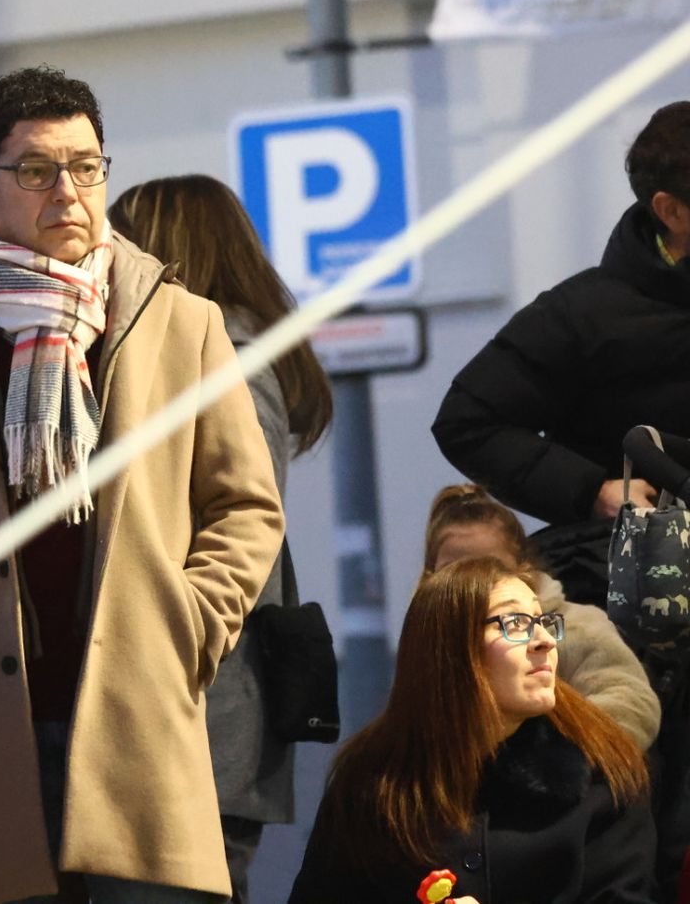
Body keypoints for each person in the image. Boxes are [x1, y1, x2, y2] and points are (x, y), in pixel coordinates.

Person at [0, 66, 284, 903]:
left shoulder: (179, 324)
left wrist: (190, 622)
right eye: (37, 171)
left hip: (136, 713)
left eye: (87, 167)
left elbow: (246, 506)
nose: (68, 193)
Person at [107, 174, 332, 904]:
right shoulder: (216, 355)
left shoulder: (228, 359)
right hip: (208, 709)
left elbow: (244, 538)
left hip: (209, 709)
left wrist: (170, 636)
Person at [433, 102, 690, 605]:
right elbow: (468, 420)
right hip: (653, 604)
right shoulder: (583, 314)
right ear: (671, 211)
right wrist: (595, 488)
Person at [288, 556, 654, 902]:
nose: (544, 640)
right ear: (450, 648)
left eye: (544, 622)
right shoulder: (371, 786)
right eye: (515, 624)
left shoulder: (602, 776)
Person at [423, 483, 660, 751]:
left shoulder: (579, 627)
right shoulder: (428, 640)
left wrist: (555, 755)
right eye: (455, 569)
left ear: (524, 568)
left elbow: (634, 703)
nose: (476, 582)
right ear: (430, 576)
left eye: (494, 568)